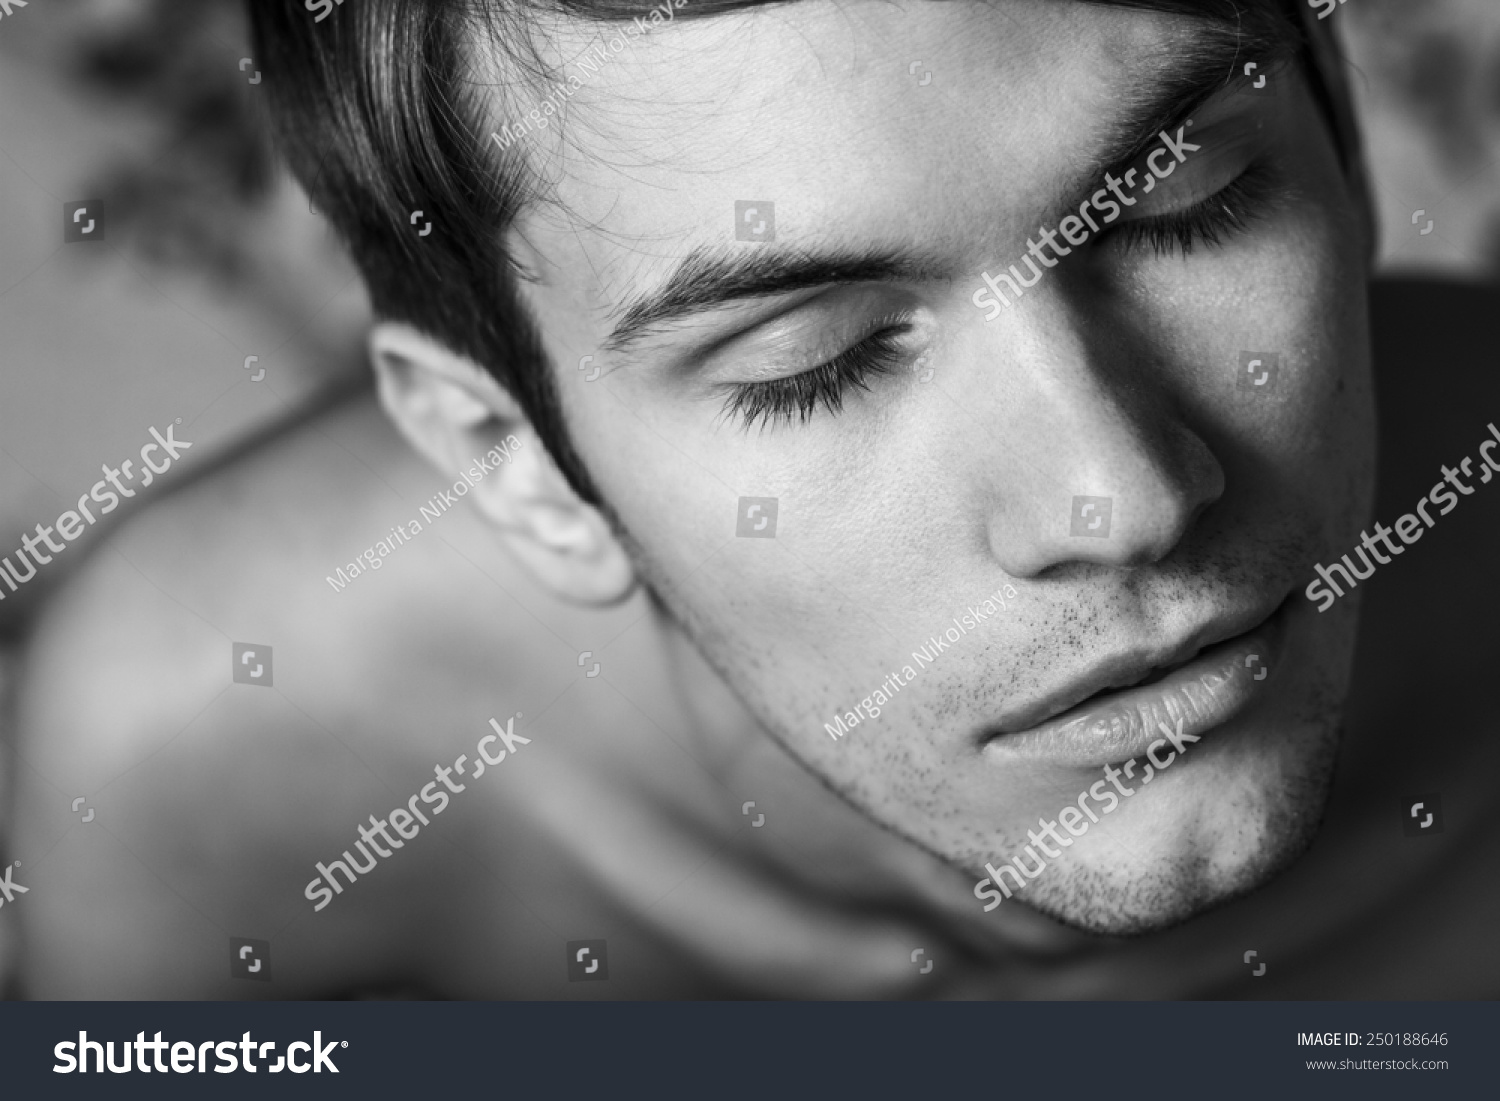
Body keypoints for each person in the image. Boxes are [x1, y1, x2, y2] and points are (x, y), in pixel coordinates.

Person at [11, 0, 1500, 998]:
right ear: (511, 462)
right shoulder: (200, 767)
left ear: (1347, 150)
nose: (1120, 495)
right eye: (819, 362)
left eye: (1190, 203)